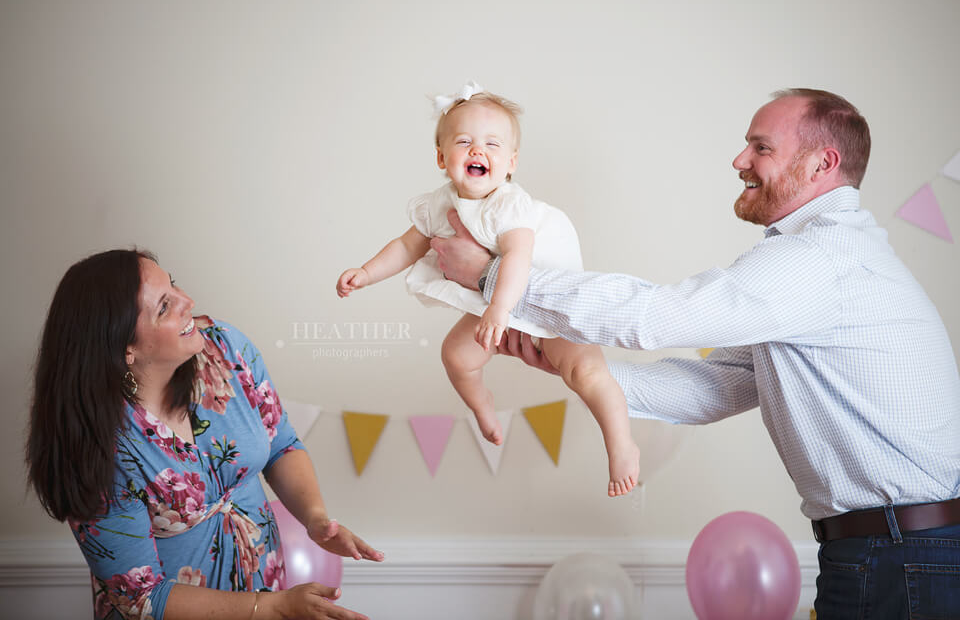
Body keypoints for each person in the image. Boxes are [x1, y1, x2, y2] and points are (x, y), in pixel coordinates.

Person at [432, 88, 960, 618]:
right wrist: (577, 367)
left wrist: (490, 275)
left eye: (761, 148)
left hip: (899, 553)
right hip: (888, 549)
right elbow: (716, 388)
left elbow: (654, 317)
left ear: (823, 163)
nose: (739, 160)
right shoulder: (822, 262)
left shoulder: (819, 258)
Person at [26, 249, 384, 620]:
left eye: (174, 284)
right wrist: (273, 608)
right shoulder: (97, 443)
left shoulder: (226, 350)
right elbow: (141, 598)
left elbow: (281, 443)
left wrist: (315, 518)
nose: (188, 302)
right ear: (125, 346)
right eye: (164, 307)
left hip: (271, 590)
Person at [336, 82, 641, 496]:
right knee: (456, 355)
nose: (478, 151)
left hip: (545, 298)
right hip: (495, 306)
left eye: (492, 144)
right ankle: (484, 410)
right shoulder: (436, 205)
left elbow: (517, 256)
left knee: (585, 371)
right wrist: (367, 272)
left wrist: (499, 308)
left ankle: (621, 445)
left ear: (511, 163)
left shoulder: (510, 204)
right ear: (442, 158)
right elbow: (407, 245)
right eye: (465, 142)